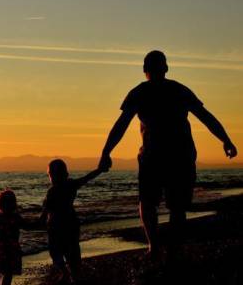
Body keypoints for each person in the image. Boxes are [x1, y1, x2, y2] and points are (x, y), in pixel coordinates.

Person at [99, 50, 238, 261]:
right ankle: (170, 249)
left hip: (165, 157)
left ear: (145, 70)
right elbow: (205, 116)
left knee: (152, 203)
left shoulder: (143, 92)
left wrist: (106, 152)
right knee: (173, 206)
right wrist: (225, 140)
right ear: (165, 68)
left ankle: (157, 247)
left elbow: (121, 125)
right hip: (172, 156)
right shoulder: (175, 90)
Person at [39, 159, 104, 284]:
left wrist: (38, 222)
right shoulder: (71, 184)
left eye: (51, 174)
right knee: (71, 251)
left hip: (56, 226)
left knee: (56, 252)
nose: (51, 178)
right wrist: (99, 170)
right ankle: (72, 274)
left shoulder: (53, 191)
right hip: (70, 223)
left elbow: (45, 211)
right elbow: (87, 178)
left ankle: (67, 273)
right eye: (50, 175)